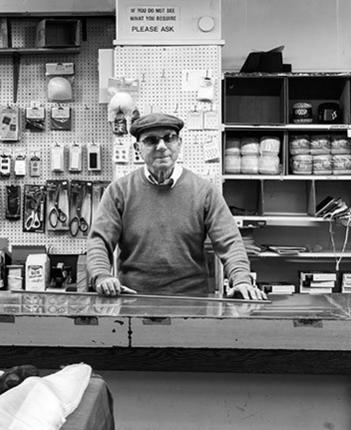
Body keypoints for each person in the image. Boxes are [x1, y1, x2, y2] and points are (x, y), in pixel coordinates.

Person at [86, 112, 266, 300]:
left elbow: (230, 242)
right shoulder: (119, 191)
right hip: (133, 300)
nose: (161, 147)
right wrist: (101, 275)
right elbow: (99, 240)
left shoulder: (204, 191)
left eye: (169, 138)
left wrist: (242, 280)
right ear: (137, 148)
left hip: (192, 302)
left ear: (179, 143)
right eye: (151, 140)